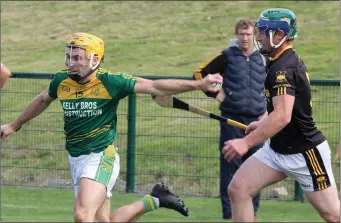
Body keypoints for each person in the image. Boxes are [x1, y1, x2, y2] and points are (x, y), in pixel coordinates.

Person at [0, 33, 223, 222]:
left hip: (100, 156)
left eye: (77, 57)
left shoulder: (112, 82)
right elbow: (41, 100)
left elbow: (155, 86)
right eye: (68, 56)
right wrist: (13, 125)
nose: (70, 62)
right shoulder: (61, 81)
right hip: (76, 159)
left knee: (82, 215)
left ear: (95, 59)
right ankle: (155, 199)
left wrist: (199, 84)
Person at [222, 8, 340, 222]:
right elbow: (283, 110)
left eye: (262, 32)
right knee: (238, 189)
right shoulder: (280, 60)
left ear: (279, 36)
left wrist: (246, 143)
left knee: (333, 216)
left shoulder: (282, 69)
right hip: (277, 151)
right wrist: (262, 122)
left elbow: (283, 116)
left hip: (305, 154)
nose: (258, 37)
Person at [193, 18, 267, 220]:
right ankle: (229, 214)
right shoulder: (227, 56)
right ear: (236, 35)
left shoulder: (264, 57)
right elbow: (200, 74)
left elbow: (273, 83)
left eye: (248, 34)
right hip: (231, 119)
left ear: (255, 35)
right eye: (241, 34)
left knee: (256, 167)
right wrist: (218, 95)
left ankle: (252, 213)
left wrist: (267, 111)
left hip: (258, 122)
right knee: (230, 167)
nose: (245, 38)